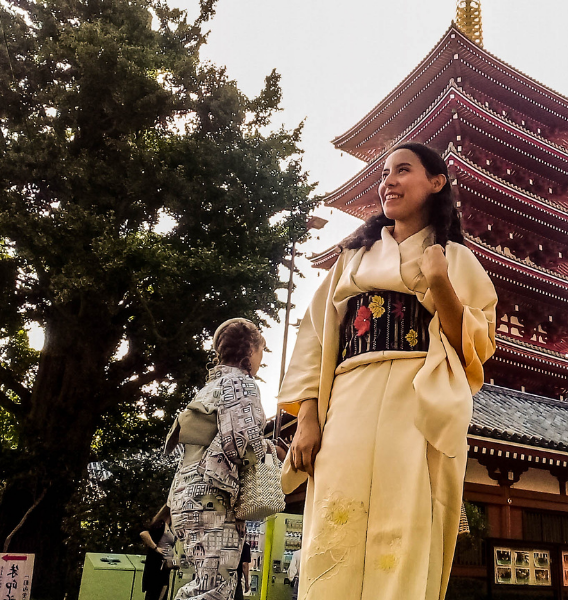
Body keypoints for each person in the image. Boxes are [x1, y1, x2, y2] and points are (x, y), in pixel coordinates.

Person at [278, 142, 498, 600]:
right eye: (384, 173)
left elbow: (472, 348)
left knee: (407, 527)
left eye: (403, 170)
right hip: (348, 399)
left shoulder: (457, 261)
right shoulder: (350, 259)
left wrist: (439, 281)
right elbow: (315, 338)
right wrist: (307, 416)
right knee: (335, 528)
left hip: (416, 400)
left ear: (436, 183)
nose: (388, 181)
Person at [164, 318, 270, 600]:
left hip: (186, 496)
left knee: (205, 583)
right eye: (261, 351)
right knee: (215, 589)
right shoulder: (241, 383)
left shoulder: (208, 388)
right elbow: (242, 444)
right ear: (250, 349)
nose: (260, 359)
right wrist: (272, 453)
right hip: (213, 499)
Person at [139, 505, 176, 600]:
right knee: (155, 593)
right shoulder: (160, 524)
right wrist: (156, 548)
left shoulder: (170, 527)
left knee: (163, 592)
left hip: (165, 567)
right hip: (158, 566)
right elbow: (143, 534)